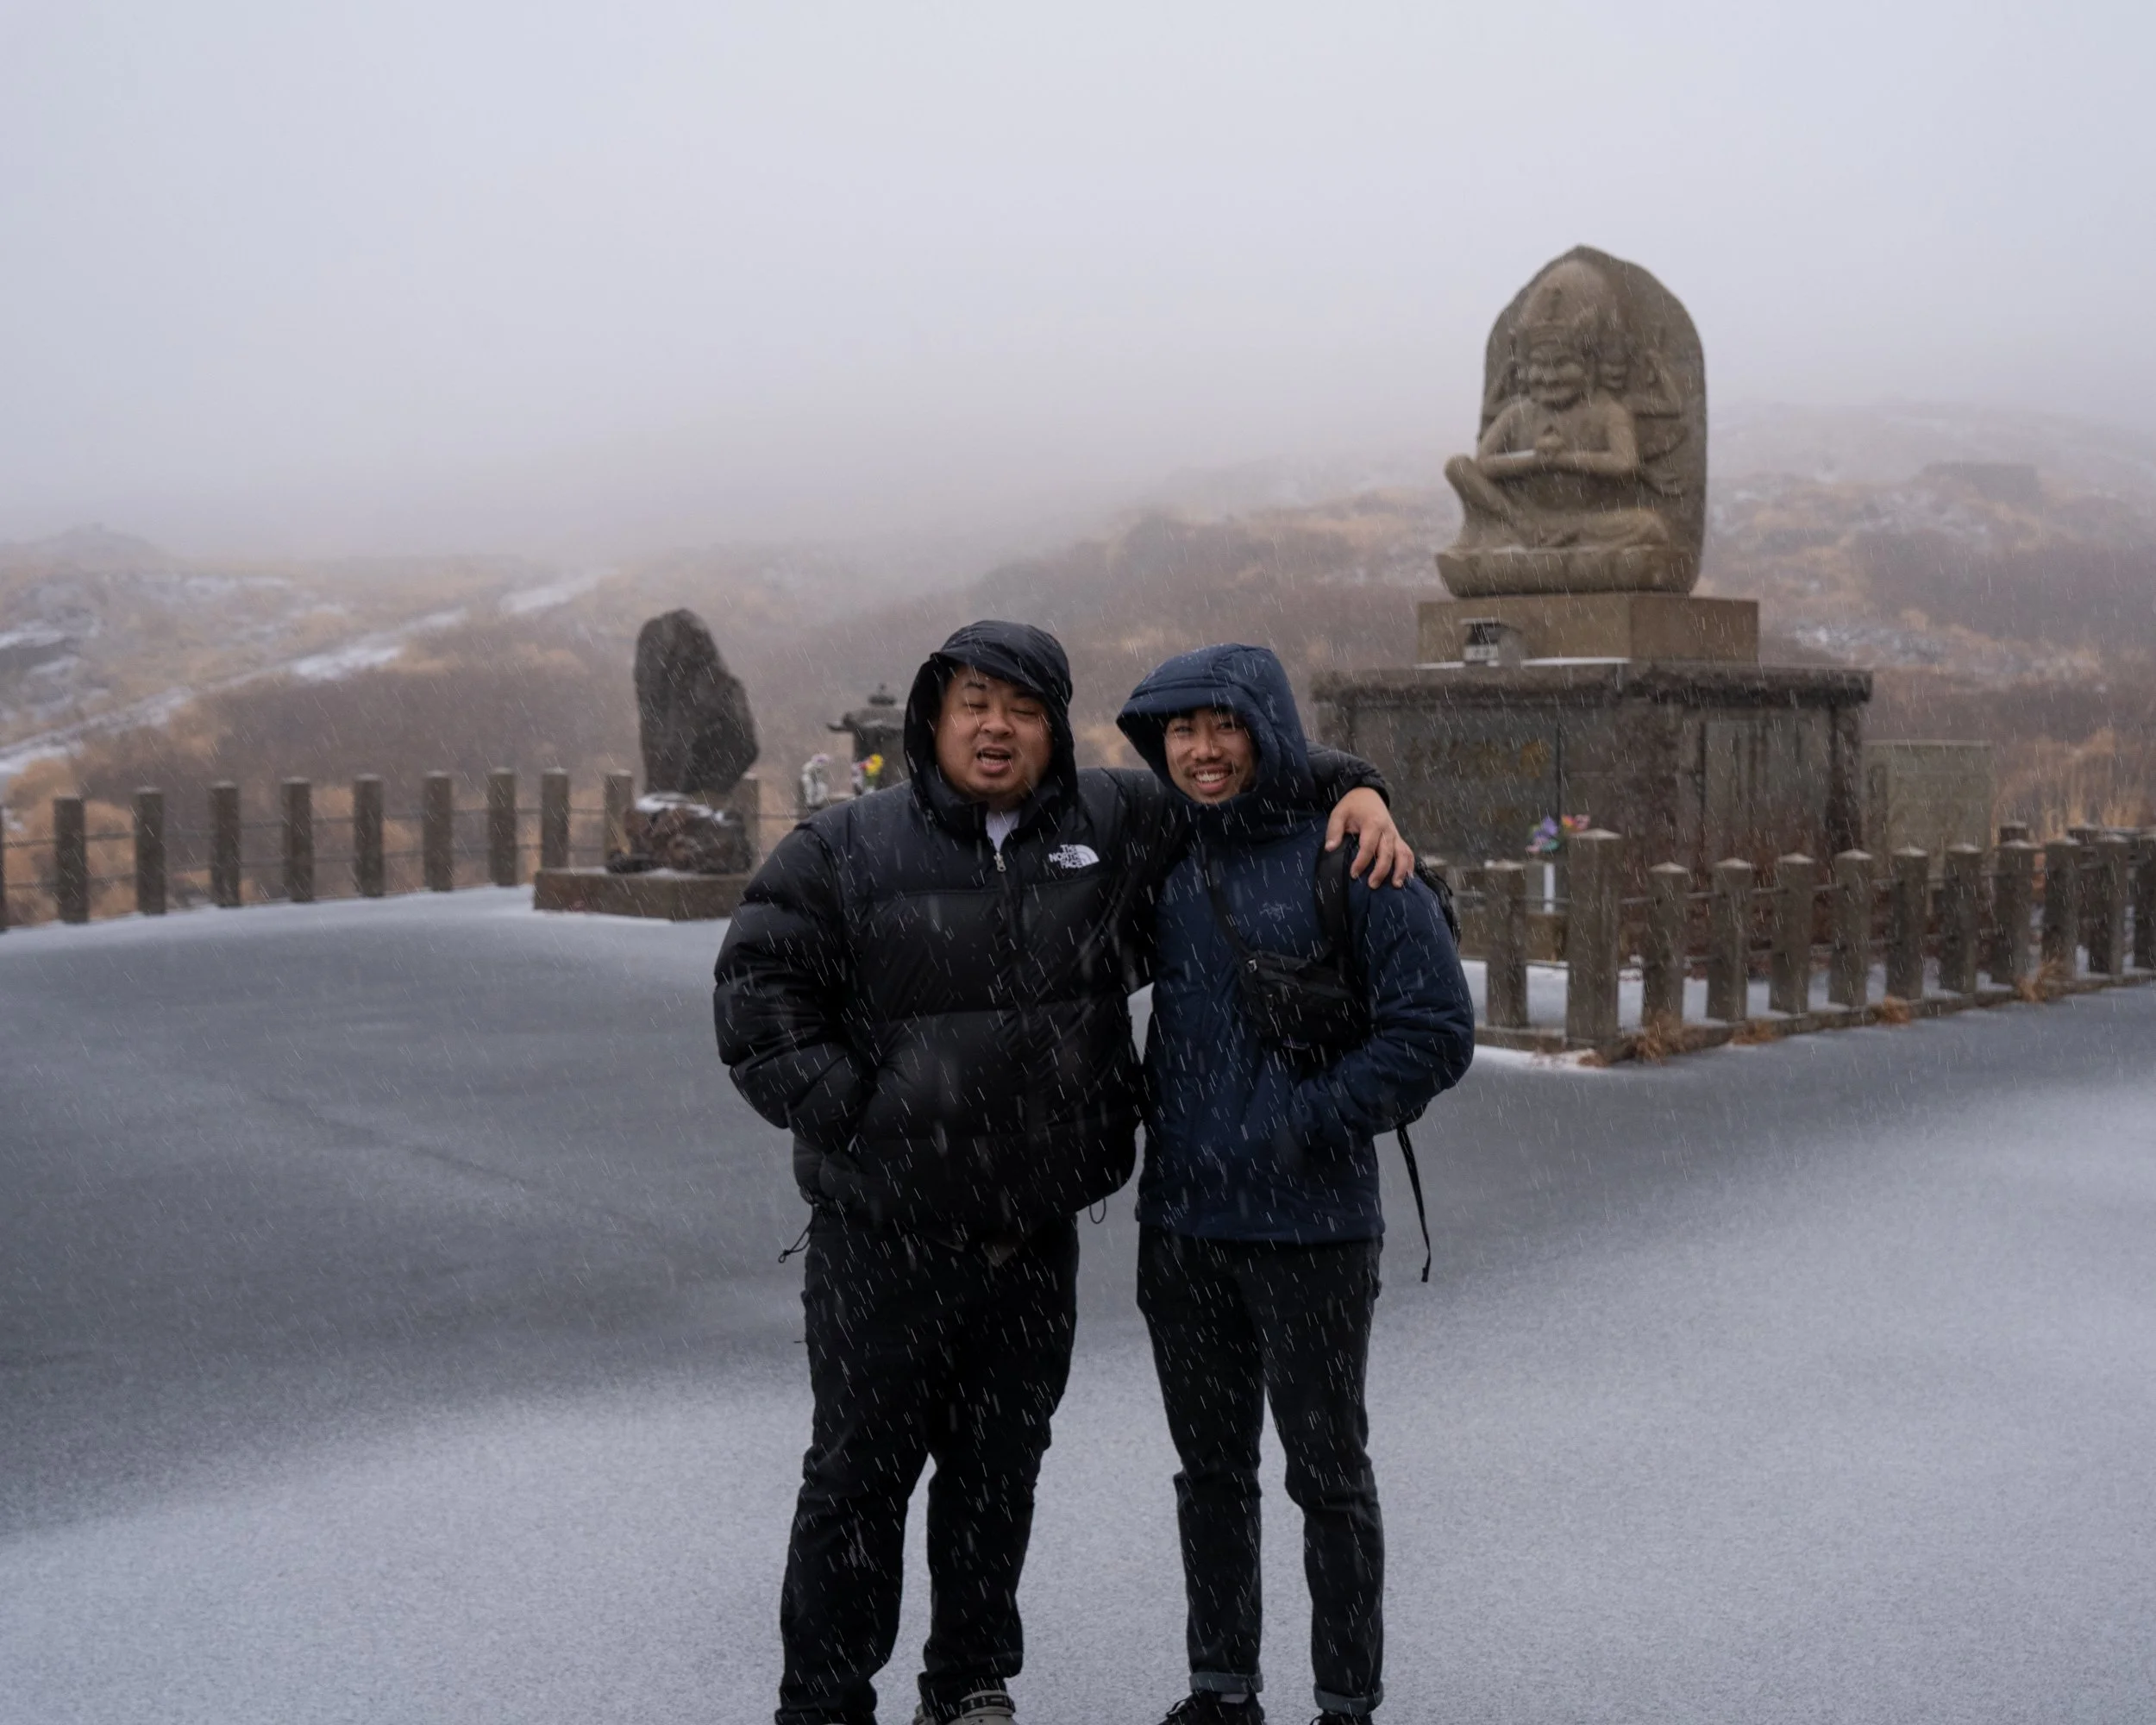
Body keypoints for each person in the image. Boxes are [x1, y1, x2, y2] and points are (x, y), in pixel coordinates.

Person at [711, 621, 1412, 1725]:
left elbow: (1236, 769)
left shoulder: (1111, 824)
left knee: (997, 1474)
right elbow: (758, 998)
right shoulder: (843, 845)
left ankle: (968, 1678)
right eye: (975, 703)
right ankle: (827, 1696)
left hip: (1029, 1238)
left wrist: (1359, 786)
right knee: (855, 1480)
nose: (997, 727)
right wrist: (859, 1114)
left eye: (1024, 708)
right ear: (933, 719)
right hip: (881, 1237)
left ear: (1056, 729)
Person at [1115, 643, 1476, 1725]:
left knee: (1327, 1475)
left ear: (1267, 726)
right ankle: (1221, 1687)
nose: (1202, 749)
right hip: (1180, 1222)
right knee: (1209, 1473)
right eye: (1180, 730)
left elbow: (1435, 1030)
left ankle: (1345, 1698)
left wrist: (1302, 1122)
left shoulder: (1352, 855)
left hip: (1310, 1224)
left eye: (1223, 724)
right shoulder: (1163, 855)